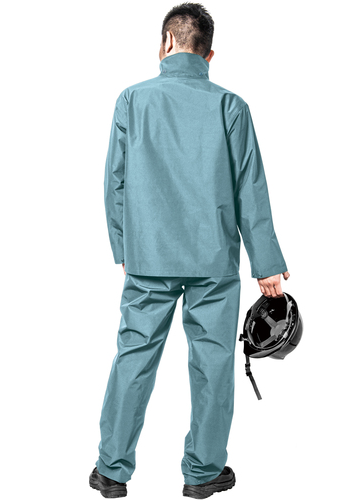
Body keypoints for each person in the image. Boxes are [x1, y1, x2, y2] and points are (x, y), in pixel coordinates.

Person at [89, 3, 290, 498]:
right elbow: (250, 188)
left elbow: (115, 181)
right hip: (213, 258)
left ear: (165, 42)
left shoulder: (132, 100)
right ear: (210, 54)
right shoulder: (231, 106)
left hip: (149, 256)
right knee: (213, 364)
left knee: (134, 357)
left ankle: (111, 471)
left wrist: (123, 246)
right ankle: (202, 474)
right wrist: (266, 264)